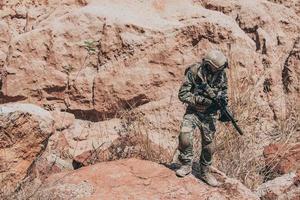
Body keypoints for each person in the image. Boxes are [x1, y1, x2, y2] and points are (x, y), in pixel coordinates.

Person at [175, 49, 229, 187]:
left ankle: (205, 171)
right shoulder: (194, 71)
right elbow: (182, 94)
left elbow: (223, 92)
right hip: (193, 111)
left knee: (209, 146)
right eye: (219, 68)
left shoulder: (222, 76)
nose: (221, 70)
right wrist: (199, 100)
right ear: (210, 65)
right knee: (184, 136)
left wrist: (223, 103)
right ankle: (186, 164)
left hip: (209, 115)